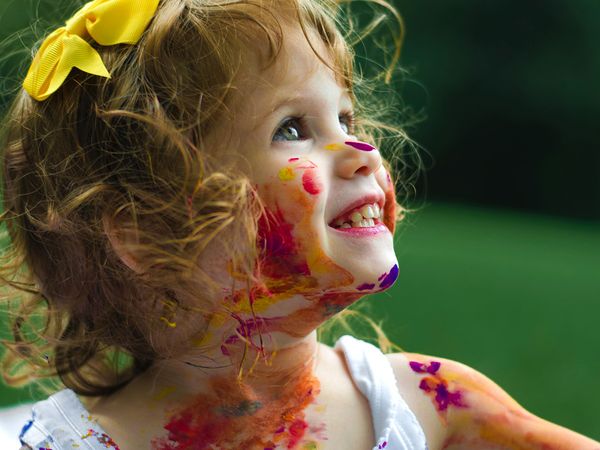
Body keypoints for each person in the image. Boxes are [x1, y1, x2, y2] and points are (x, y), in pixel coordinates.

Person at [0, 0, 598, 449]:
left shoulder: (427, 404)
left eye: (345, 114)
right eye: (293, 128)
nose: (360, 147)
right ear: (145, 234)